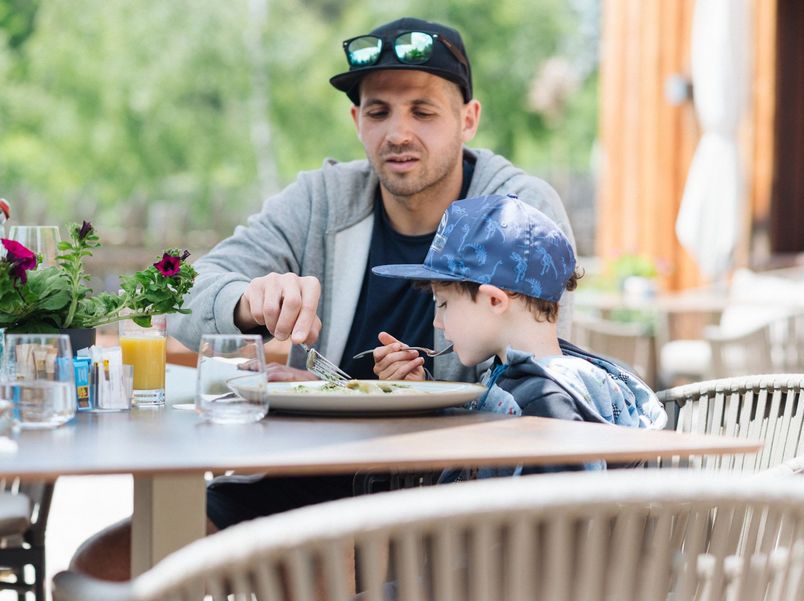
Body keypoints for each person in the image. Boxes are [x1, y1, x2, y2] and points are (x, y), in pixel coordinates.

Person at [70, 16, 575, 580]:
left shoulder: (516, 210)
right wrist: (248, 299)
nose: (398, 132)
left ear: (469, 119)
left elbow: (539, 371)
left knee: (316, 569)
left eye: (423, 111)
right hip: (301, 476)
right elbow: (178, 296)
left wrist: (362, 392)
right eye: (379, 111)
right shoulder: (322, 199)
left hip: (448, 495)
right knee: (98, 569)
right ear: (357, 120)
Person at [371, 194, 665, 482]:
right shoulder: (536, 380)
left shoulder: (545, 404)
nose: (437, 322)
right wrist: (423, 396)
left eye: (444, 303)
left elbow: (560, 518)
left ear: (495, 301)